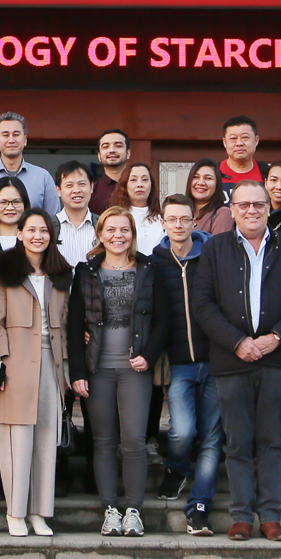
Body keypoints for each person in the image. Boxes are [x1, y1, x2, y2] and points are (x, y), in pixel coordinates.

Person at [195, 181, 281, 542]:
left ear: (269, 208)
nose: (252, 210)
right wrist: (237, 342)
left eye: (259, 204)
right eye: (244, 204)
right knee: (237, 441)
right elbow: (202, 303)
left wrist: (275, 338)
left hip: (276, 358)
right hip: (231, 358)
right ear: (232, 210)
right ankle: (241, 516)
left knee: (271, 439)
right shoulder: (215, 248)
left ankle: (270, 516)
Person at [69, 206, 167, 538]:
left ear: (132, 234)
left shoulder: (149, 269)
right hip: (98, 368)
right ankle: (110, 509)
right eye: (110, 230)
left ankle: (133, 510)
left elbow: (163, 320)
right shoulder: (86, 272)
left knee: (134, 441)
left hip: (134, 369)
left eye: (124, 229)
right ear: (100, 234)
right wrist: (78, 371)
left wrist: (149, 356)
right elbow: (74, 324)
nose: (118, 236)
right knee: (103, 441)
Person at [0, 208, 71, 536]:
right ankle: (15, 512)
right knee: (16, 440)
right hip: (16, 363)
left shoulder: (61, 273)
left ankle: (39, 512)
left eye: (44, 230)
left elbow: (66, 322)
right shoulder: (5, 271)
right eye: (32, 230)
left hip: (52, 363)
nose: (38, 236)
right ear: (20, 234)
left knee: (46, 440)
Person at [152, 194, 220, 536]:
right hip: (179, 362)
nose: (178, 225)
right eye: (172, 219)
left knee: (211, 437)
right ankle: (177, 467)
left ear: (194, 221)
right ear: (163, 223)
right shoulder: (156, 261)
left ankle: (199, 507)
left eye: (184, 219)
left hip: (216, 360)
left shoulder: (213, 256)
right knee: (182, 431)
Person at [0, 112, 59, 213]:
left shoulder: (43, 177)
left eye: (16, 134)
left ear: (25, 139)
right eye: (5, 135)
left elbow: (52, 218)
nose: (11, 140)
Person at [108, 161, 166, 255]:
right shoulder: (115, 217)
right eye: (133, 180)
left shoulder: (162, 218)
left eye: (145, 179)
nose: (139, 184)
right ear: (125, 185)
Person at [52, 161, 96, 267]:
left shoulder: (103, 225)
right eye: (69, 185)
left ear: (91, 187)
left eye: (82, 184)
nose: (76, 190)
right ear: (58, 190)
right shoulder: (48, 226)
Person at [185, 160, 233, 236]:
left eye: (208, 178)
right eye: (196, 177)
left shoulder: (223, 214)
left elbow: (220, 243)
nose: (201, 183)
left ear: (217, 184)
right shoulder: (182, 212)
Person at [218, 116, 264, 195]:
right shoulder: (214, 173)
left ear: (256, 140)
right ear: (225, 142)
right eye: (233, 138)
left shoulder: (267, 174)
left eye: (245, 137)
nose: (239, 143)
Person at [89, 128, 130, 213]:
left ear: (128, 153)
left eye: (118, 146)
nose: (112, 150)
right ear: (99, 156)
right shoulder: (91, 190)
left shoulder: (140, 186)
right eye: (105, 147)